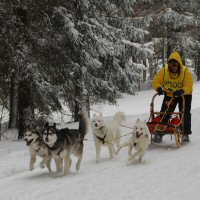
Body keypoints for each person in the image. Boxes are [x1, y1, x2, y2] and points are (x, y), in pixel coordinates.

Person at [152, 51, 194, 143]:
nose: (173, 67)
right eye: (171, 65)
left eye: (175, 65)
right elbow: (156, 81)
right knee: (164, 112)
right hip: (170, 94)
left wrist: (182, 90)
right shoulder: (164, 71)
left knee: (185, 113)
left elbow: (189, 85)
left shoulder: (185, 72)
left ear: (179, 64)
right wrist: (158, 88)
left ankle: (185, 133)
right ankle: (159, 133)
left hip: (185, 94)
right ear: (169, 65)